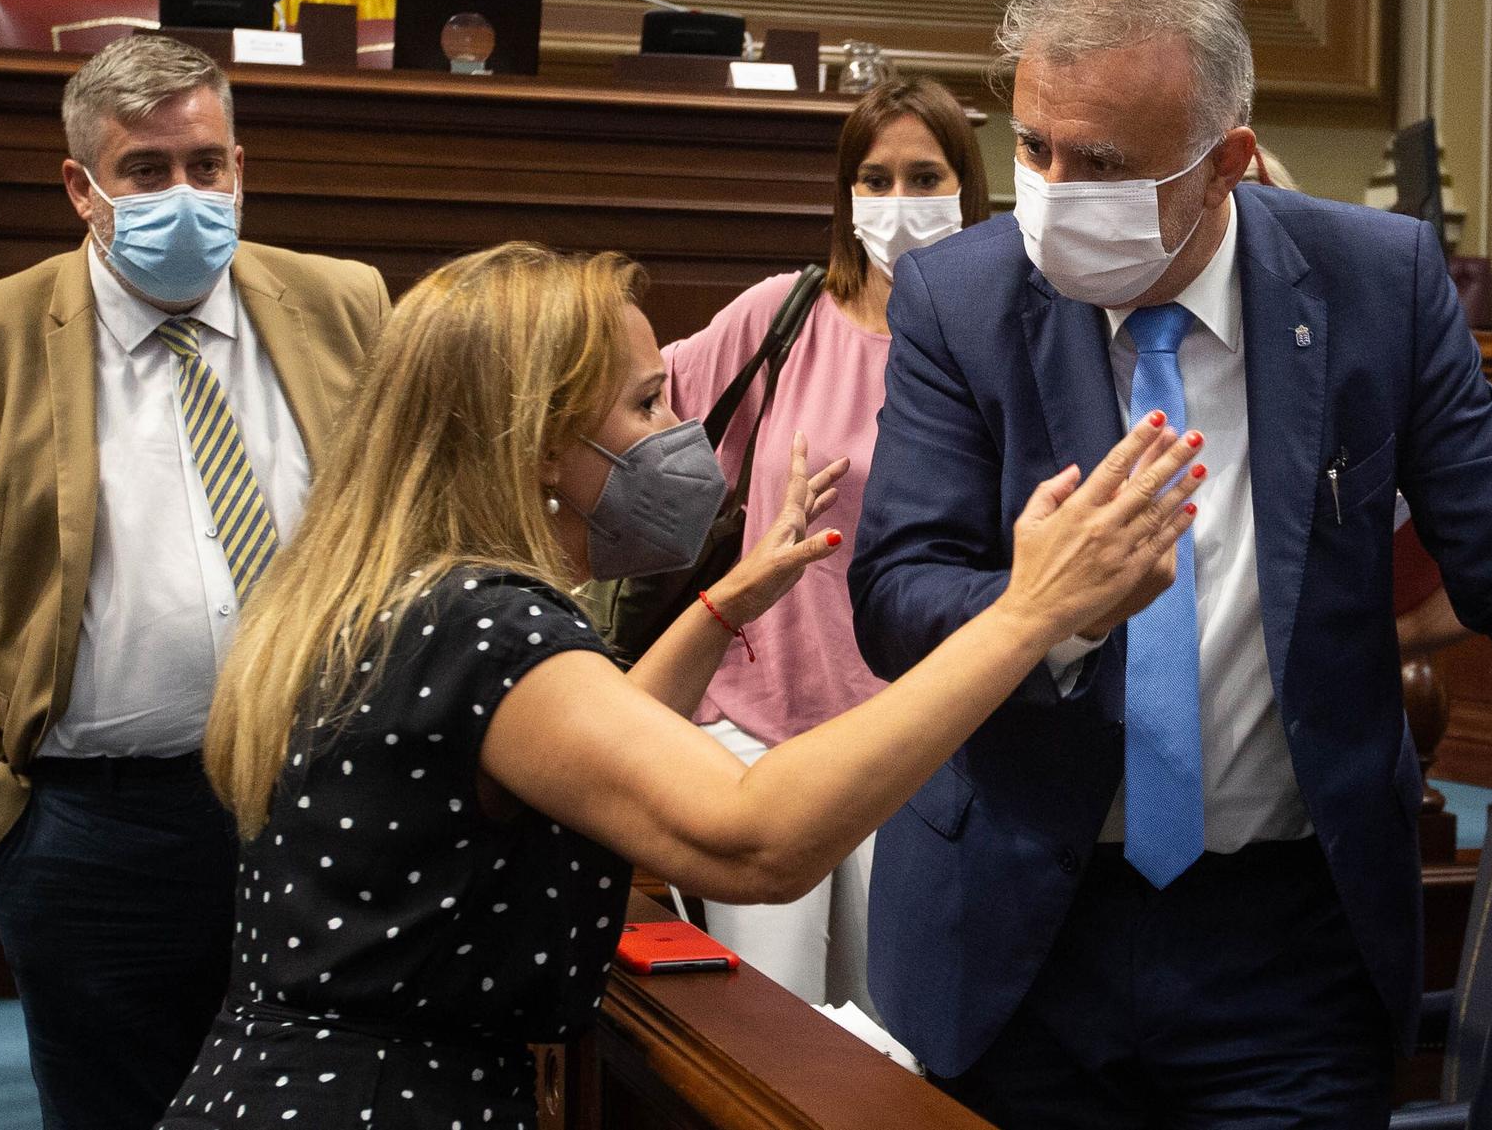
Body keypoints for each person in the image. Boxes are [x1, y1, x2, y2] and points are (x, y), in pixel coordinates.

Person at [847, 0, 1492, 1127]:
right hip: (1018, 938)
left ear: (1223, 162)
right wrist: (1037, 612)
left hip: (1285, 950)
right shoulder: (961, 299)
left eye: (1099, 162)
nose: (1052, 191)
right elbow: (895, 593)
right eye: (1031, 147)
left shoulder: (1375, 283)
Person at [156, 241, 1202, 1128]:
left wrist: (723, 607)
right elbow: (752, 838)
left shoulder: (398, 592)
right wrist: (1028, 613)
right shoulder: (488, 626)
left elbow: (574, 752)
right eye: (647, 400)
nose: (681, 433)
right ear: (540, 447)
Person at [0, 33, 389, 1129]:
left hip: (324, 806)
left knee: (321, 1104)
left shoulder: (344, 303)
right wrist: (6, 820)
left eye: (206, 166)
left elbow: (409, 530)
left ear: (240, 165)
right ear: (82, 186)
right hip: (94, 838)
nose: (186, 194)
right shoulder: (0, 336)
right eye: (147, 171)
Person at [660, 76, 989, 1015]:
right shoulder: (783, 315)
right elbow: (638, 419)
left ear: (968, 187)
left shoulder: (1004, 339)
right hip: (759, 735)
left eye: (925, 178)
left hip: (913, 742)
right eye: (875, 179)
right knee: (768, 1033)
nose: (899, 203)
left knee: (891, 1040)